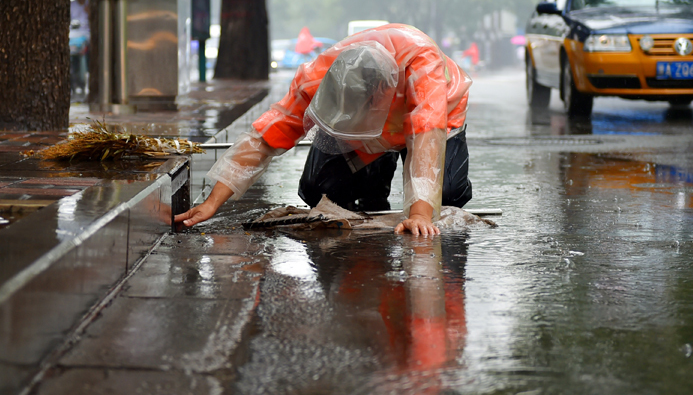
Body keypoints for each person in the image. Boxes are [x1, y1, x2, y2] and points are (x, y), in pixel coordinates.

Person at [175, 24, 473, 236]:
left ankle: (398, 175)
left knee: (442, 194)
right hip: (371, 136)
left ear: (380, 93)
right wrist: (212, 202)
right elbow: (265, 138)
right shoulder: (316, 77)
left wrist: (419, 215)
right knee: (318, 189)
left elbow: (426, 135)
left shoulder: (422, 66)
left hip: (438, 121)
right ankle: (376, 174)